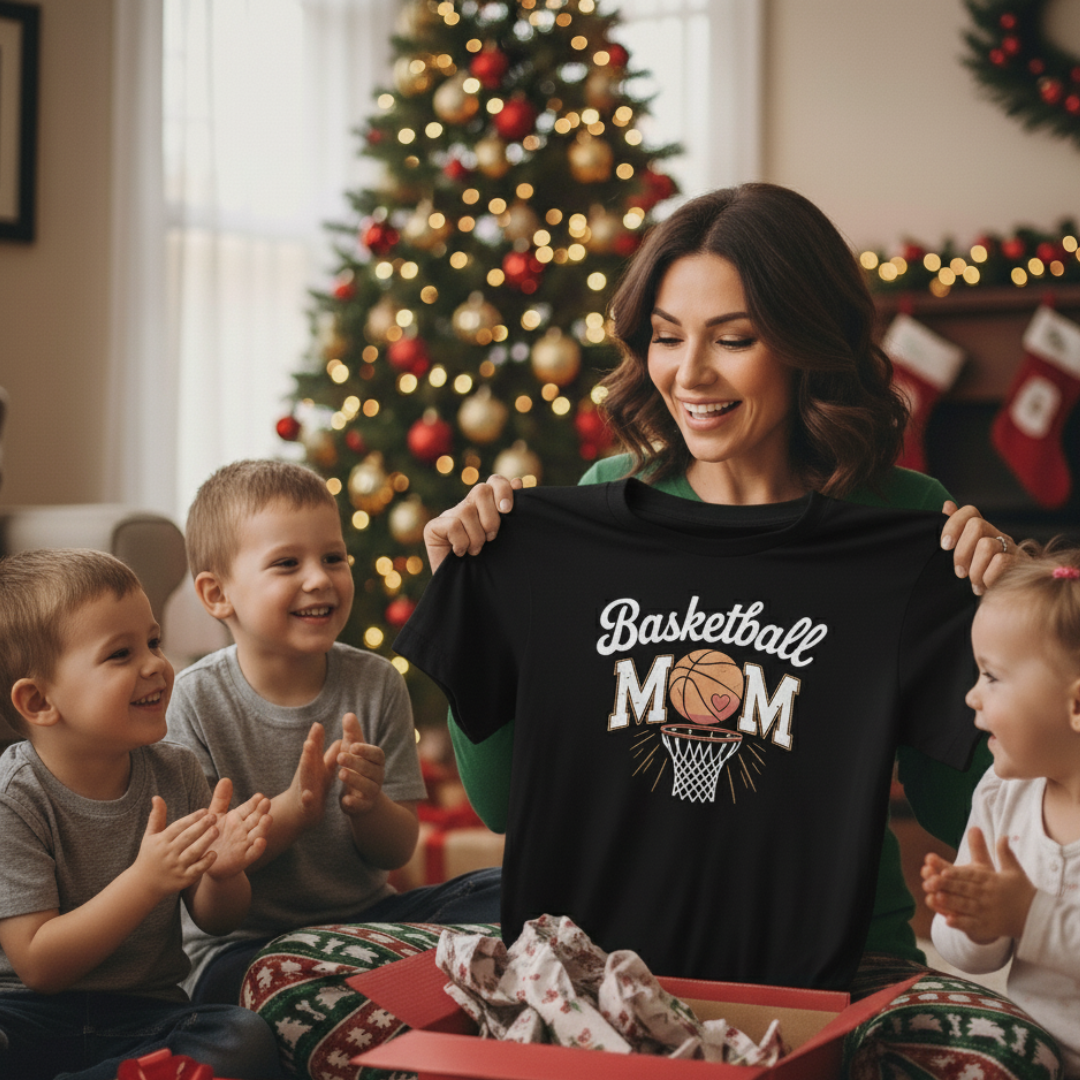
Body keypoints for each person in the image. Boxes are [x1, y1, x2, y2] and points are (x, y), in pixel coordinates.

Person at [403, 184, 1063, 1079]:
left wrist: (1015, 638)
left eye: (735, 338)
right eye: (668, 335)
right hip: (603, 971)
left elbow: (976, 815)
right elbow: (503, 805)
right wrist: (487, 595)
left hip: (830, 970)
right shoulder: (590, 510)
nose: (690, 373)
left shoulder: (910, 524)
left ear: (806, 345)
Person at [167, 459, 501, 1006]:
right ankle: (410, 979)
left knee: (502, 892)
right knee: (288, 983)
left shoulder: (374, 682)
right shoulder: (197, 699)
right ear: (217, 595)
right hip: (246, 948)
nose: (319, 578)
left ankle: (395, 973)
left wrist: (368, 806)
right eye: (286, 563)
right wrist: (298, 808)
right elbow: (211, 906)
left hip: (366, 919)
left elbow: (395, 852)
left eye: (332, 557)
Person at [0, 548, 283, 1080]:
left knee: (242, 1037)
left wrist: (222, 872)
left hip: (147, 1015)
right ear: (39, 702)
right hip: (27, 1014)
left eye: (152, 642)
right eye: (120, 654)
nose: (155, 664)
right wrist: (146, 880)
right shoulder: (13, 798)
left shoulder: (176, 770)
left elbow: (217, 918)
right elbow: (38, 964)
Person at [923, 543, 1080, 1078]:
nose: (972, 696)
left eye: (991, 676)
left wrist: (1027, 914)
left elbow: (1029, 919)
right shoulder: (999, 793)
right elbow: (975, 960)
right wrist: (973, 920)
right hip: (1033, 1053)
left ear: (1077, 705)